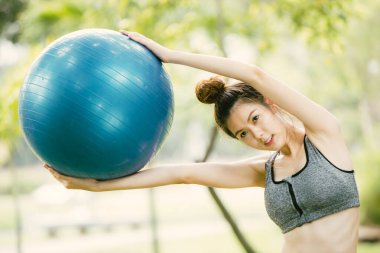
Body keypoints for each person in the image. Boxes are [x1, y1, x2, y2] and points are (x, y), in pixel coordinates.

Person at [44, 31, 360, 253]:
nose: (257, 135)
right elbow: (182, 174)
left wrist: (170, 56)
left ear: (270, 104)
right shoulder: (263, 172)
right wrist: (98, 187)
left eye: (254, 119)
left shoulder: (324, 135)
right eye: (243, 134)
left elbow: (255, 75)